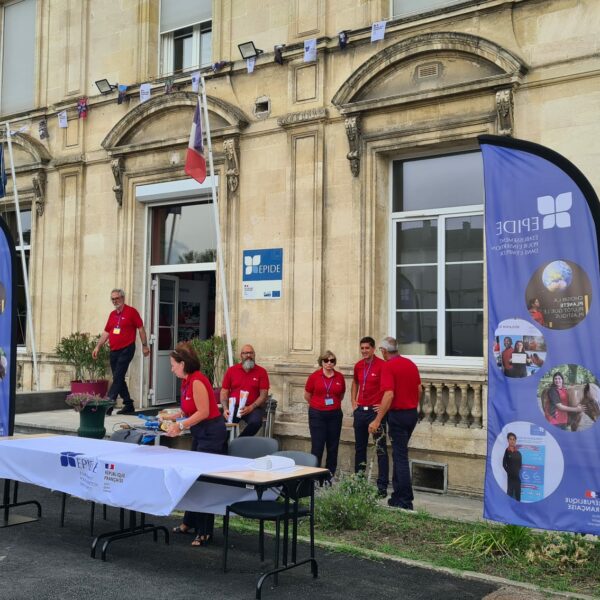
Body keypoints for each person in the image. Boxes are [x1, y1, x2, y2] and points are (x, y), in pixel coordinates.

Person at [162, 342, 227, 547]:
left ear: (183, 363)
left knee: (203, 482)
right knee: (192, 479)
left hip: (211, 434)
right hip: (200, 433)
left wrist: (180, 427)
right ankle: (189, 522)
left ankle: (205, 531)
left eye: (173, 364)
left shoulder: (198, 380)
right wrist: (172, 416)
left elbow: (203, 412)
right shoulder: (186, 381)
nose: (171, 368)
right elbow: (188, 408)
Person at [369, 336, 421, 510]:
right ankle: (397, 496)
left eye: (380, 351)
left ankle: (405, 500)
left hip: (398, 415)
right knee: (400, 453)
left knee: (400, 457)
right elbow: (419, 388)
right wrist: (413, 404)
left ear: (384, 351)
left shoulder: (388, 366)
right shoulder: (410, 364)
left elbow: (389, 395)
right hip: (411, 414)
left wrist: (377, 420)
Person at [92, 288, 150, 415]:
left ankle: (108, 404)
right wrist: (98, 346)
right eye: (112, 299)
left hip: (127, 348)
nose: (115, 301)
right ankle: (128, 404)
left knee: (117, 376)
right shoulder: (112, 315)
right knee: (119, 377)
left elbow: (141, 329)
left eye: (117, 298)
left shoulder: (132, 312)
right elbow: (106, 332)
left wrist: (145, 345)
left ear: (123, 298)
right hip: (114, 350)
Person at [351, 336, 388, 498]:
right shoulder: (358, 366)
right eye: (362, 348)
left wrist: (382, 406)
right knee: (359, 448)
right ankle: (358, 482)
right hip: (360, 412)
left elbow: (389, 389)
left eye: (367, 348)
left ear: (373, 349)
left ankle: (382, 486)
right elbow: (354, 383)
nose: (364, 351)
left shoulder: (382, 365)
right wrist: (353, 401)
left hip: (375, 412)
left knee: (380, 449)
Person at [304, 350, 346, 480]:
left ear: (334, 362)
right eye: (326, 360)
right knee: (317, 446)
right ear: (321, 362)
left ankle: (329, 476)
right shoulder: (314, 376)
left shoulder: (339, 377)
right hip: (317, 415)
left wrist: (331, 405)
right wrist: (318, 405)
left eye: (332, 361)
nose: (329, 363)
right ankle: (314, 478)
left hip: (334, 415)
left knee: (333, 446)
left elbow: (341, 395)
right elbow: (307, 395)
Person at [220, 344, 270, 437]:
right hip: (233, 407)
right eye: (245, 353)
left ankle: (240, 442)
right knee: (220, 423)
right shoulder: (232, 371)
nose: (248, 355)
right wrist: (225, 409)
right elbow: (224, 392)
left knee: (256, 422)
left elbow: (264, 395)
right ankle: (223, 447)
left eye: (251, 353)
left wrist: (251, 407)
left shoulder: (261, 372)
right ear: (241, 355)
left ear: (254, 355)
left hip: (253, 408)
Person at [502, 432, 522, 501]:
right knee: (509, 496)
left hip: (517, 479)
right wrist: (509, 472)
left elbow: (520, 465)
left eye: (513, 439)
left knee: (518, 497)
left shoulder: (518, 453)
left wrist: (516, 471)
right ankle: (508, 511)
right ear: (508, 440)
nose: (512, 441)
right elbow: (504, 464)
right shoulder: (507, 451)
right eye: (510, 439)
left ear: (515, 441)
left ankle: (518, 511)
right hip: (510, 479)